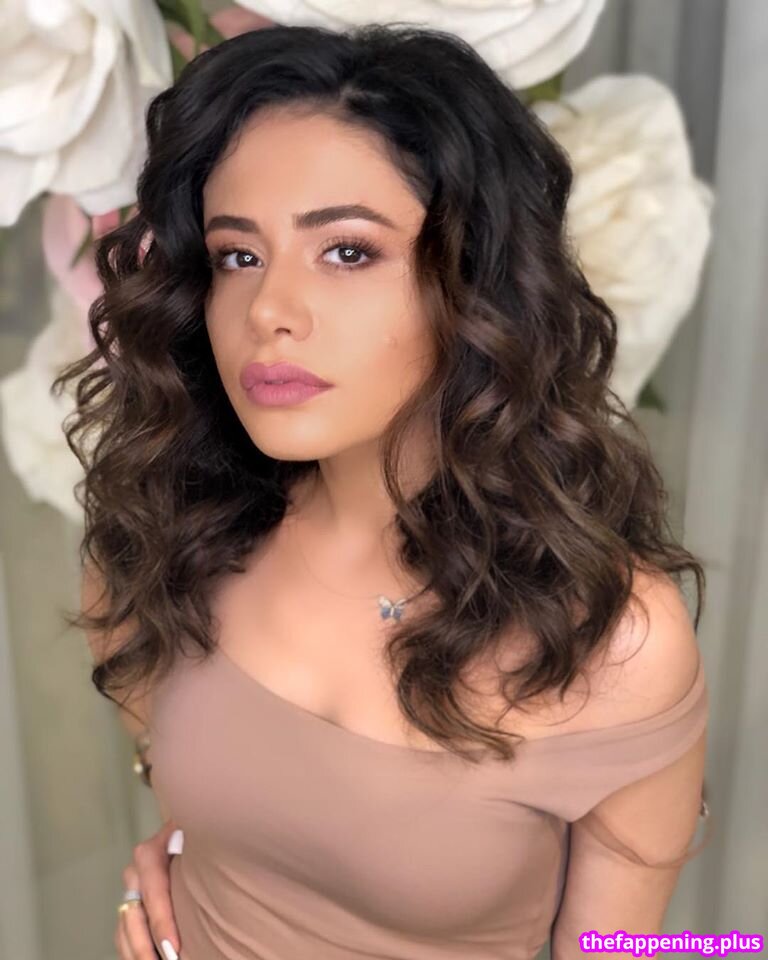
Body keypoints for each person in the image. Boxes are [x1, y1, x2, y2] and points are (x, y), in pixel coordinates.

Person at [56, 21, 711, 960]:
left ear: (476, 284)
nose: (269, 311)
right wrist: (180, 855)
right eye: (239, 255)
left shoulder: (614, 638)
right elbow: (195, 781)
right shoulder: (167, 532)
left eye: (348, 252)